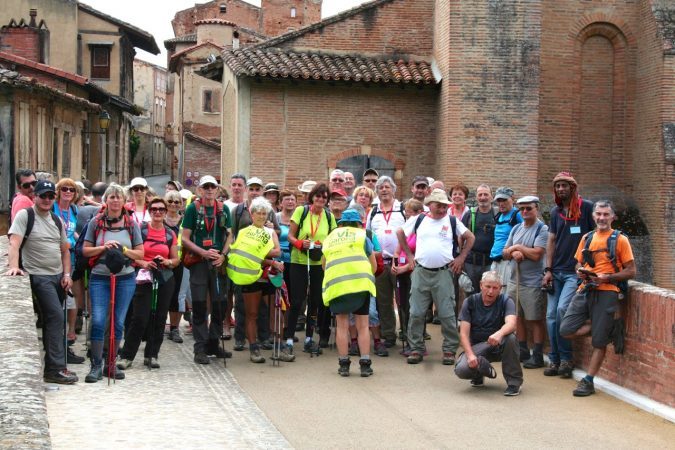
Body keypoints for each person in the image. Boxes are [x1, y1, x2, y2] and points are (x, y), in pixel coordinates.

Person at [560, 200, 636, 397]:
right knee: (566, 329)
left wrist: (608, 277)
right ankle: (603, 328)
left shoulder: (620, 240)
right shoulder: (587, 237)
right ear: (593, 216)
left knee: (598, 343)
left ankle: (588, 380)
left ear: (613, 217)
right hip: (586, 289)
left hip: (607, 291)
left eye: (606, 214)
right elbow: (578, 264)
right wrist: (582, 272)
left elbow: (631, 271)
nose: (602, 218)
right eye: (599, 214)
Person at [6, 180, 78, 384]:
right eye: (42, 196)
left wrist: (66, 275)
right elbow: (14, 243)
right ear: (35, 197)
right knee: (55, 317)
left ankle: (54, 366)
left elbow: (65, 250)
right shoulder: (25, 215)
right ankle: (55, 368)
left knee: (53, 320)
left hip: (57, 276)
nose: (46, 200)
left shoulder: (56, 220)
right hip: (38, 275)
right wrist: (13, 266)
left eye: (49, 196)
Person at [397, 188, 474, 365]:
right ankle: (416, 348)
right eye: (439, 206)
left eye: (445, 206)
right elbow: (400, 233)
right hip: (420, 272)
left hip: (444, 273)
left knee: (447, 313)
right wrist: (409, 256)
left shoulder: (453, 221)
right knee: (416, 312)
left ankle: (449, 350)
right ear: (429, 205)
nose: (442, 209)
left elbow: (470, 237)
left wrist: (461, 258)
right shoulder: (419, 219)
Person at [82, 183, 144, 382]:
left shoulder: (131, 224)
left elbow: (141, 253)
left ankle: (111, 364)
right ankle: (96, 365)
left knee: (117, 322)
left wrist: (123, 251)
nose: (115, 200)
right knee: (99, 320)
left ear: (124, 201)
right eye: (112, 197)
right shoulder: (96, 222)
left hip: (125, 277)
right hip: (100, 277)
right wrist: (103, 248)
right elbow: (85, 250)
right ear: (105, 200)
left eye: (119, 197)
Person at [541, 171, 595, 378]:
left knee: (563, 310)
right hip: (556, 272)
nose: (561, 189)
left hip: (575, 273)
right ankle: (554, 359)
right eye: (557, 186)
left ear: (572, 187)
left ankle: (566, 358)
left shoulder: (587, 207)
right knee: (551, 317)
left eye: (564, 185)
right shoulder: (556, 212)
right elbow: (551, 241)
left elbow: (594, 237)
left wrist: (587, 265)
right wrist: (548, 270)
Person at [117, 197, 179, 369]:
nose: (157, 212)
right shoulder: (141, 230)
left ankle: (152, 355)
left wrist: (167, 262)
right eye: (154, 209)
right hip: (143, 276)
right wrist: (144, 263)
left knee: (159, 317)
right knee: (139, 317)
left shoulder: (170, 233)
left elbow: (176, 260)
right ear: (149, 212)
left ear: (166, 212)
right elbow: (132, 254)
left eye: (161, 209)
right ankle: (127, 356)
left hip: (164, 277)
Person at [227, 197, 290, 363]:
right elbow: (243, 255)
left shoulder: (269, 231)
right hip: (251, 276)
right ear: (251, 214)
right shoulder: (244, 232)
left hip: (268, 276)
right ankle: (254, 348)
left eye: (264, 213)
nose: (261, 216)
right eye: (258, 213)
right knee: (252, 313)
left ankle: (280, 345)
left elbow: (277, 251)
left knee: (275, 312)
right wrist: (267, 259)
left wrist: (260, 255)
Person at [181, 175, 233, 364]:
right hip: (199, 263)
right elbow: (185, 238)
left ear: (218, 190)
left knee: (220, 304)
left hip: (218, 263)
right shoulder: (192, 210)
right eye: (206, 187)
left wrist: (223, 255)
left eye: (213, 187)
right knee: (200, 306)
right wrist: (203, 252)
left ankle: (213, 343)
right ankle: (200, 348)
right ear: (200, 190)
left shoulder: (224, 209)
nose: (210, 190)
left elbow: (229, 235)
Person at [322, 209, 377, 377]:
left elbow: (323, 264)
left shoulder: (330, 238)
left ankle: (344, 364)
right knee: (362, 326)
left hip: (338, 285)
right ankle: (365, 364)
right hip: (360, 285)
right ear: (359, 223)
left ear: (341, 223)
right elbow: (373, 265)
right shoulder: (362, 237)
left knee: (342, 326)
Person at [286, 183, 338, 354]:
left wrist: (323, 245)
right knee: (297, 301)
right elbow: (290, 236)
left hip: (319, 263)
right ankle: (289, 339)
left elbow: (333, 240)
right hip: (299, 261)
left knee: (315, 301)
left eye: (324, 197)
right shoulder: (302, 211)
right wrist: (301, 243)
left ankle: (309, 338)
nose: (321, 199)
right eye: (318, 196)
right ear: (312, 197)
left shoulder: (329, 217)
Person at [454, 271, 523, 396]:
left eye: (495, 288)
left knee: (511, 338)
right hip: (478, 347)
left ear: (500, 289)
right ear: (481, 285)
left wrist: (500, 333)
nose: (491, 291)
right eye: (488, 287)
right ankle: (479, 371)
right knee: (461, 369)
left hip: (499, 345)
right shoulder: (470, 302)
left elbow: (512, 323)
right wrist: (470, 356)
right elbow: (463, 334)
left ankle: (514, 382)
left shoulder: (506, 301)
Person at [231, 177, 279, 351]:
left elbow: (277, 240)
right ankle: (240, 338)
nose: (254, 191)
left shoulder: (269, 213)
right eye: (251, 188)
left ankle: (263, 337)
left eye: (258, 188)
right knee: (242, 306)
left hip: (263, 270)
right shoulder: (237, 211)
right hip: (244, 268)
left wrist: (260, 252)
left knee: (264, 307)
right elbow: (234, 237)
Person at [502, 196, 549, 367]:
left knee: (534, 319)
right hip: (514, 280)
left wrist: (518, 248)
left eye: (528, 208)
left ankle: (537, 355)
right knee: (517, 317)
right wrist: (513, 252)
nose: (525, 212)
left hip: (532, 282)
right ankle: (522, 350)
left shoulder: (542, 229)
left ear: (536, 208)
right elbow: (504, 252)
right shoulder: (516, 228)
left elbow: (537, 254)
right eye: (521, 209)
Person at [366, 176, 407, 348]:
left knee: (403, 300)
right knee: (383, 301)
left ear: (393, 189)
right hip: (381, 263)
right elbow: (367, 235)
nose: (384, 190)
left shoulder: (402, 208)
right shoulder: (373, 212)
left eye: (387, 187)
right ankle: (388, 334)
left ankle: (406, 332)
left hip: (400, 262)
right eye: (380, 187)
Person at [53, 177, 85, 364]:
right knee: (59, 300)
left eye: (71, 190)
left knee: (71, 298)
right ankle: (58, 343)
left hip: (71, 258)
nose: (67, 192)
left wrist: (82, 242)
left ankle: (70, 334)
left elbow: (71, 232)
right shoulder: (52, 208)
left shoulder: (73, 210)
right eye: (64, 189)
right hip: (55, 258)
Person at [462, 184, 496, 292]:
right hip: (471, 262)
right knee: (471, 294)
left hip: (491, 263)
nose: (483, 197)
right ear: (476, 197)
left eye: (486, 194)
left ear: (492, 196)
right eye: (480, 194)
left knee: (489, 294)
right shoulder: (470, 214)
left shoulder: (497, 214)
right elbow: (461, 236)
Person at [489, 187, 522, 292]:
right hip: (495, 260)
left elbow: (527, 232)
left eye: (504, 200)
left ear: (512, 199)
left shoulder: (517, 215)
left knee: (504, 294)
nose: (501, 203)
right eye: (499, 200)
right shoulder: (499, 216)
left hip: (507, 261)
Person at [164, 190, 186, 344]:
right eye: (170, 201)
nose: (173, 204)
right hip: (162, 261)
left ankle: (174, 328)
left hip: (181, 263)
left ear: (181, 204)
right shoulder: (159, 219)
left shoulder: (184, 221)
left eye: (177, 201)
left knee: (177, 295)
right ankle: (158, 325)